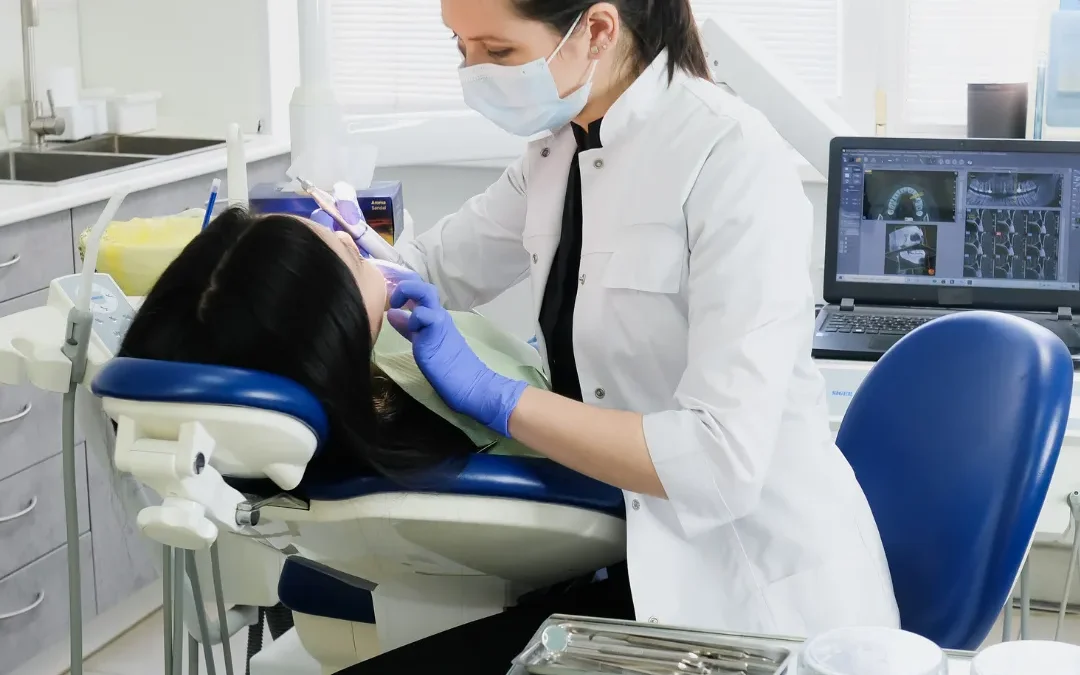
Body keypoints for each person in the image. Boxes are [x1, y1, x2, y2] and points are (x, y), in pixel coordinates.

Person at [328, 0, 901, 671]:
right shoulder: (557, 148)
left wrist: (500, 396)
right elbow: (437, 264)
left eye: (499, 51)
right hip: (627, 560)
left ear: (597, 30)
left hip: (748, 599)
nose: (473, 73)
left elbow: (719, 462)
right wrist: (338, 250)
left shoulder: (732, 158)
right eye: (461, 48)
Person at [118, 207, 550, 492]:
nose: (345, 238)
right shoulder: (425, 406)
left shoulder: (334, 403)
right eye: (352, 259)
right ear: (335, 330)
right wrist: (498, 395)